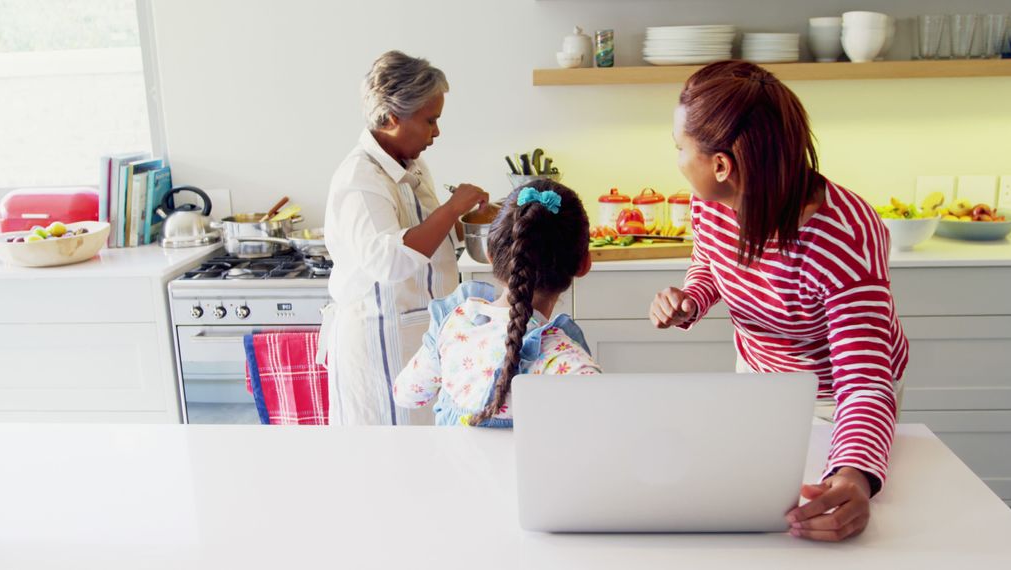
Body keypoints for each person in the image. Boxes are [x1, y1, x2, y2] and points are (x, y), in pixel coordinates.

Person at [648, 60, 908, 542]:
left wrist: (854, 476)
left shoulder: (844, 238)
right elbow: (710, 258)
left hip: (834, 402)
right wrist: (693, 298)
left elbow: (867, 383)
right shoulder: (710, 199)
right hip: (758, 380)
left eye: (679, 148)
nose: (678, 159)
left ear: (721, 165)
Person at [320, 51, 489, 425]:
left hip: (418, 339)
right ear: (394, 116)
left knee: (428, 456)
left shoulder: (411, 165)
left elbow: (429, 234)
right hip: (379, 342)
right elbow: (389, 260)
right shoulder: (359, 179)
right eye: (430, 120)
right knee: (387, 461)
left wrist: (466, 219)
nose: (437, 132)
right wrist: (450, 208)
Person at [393, 181, 600, 427]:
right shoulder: (570, 362)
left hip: (450, 467)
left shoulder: (455, 325)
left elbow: (406, 394)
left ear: (490, 256)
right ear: (583, 265)